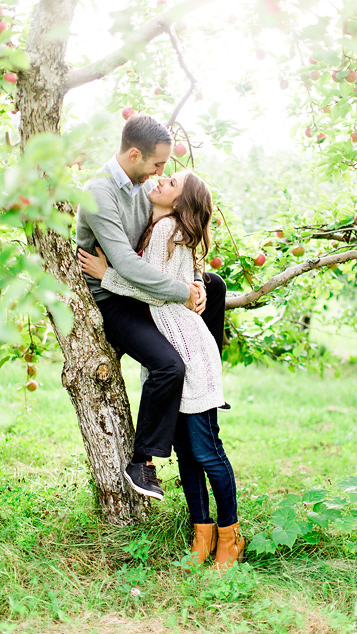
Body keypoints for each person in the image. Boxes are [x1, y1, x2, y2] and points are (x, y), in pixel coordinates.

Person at [79, 170, 245, 570]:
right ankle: (201, 534)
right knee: (188, 454)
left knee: (206, 453)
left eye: (171, 183)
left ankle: (230, 535)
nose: (162, 181)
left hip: (194, 359)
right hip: (183, 352)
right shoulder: (167, 231)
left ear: (178, 203)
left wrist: (106, 276)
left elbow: (148, 287)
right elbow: (169, 284)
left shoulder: (167, 229)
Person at [75, 114, 227, 502]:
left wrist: (196, 279)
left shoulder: (143, 186)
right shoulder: (100, 193)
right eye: (157, 164)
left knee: (216, 285)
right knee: (168, 366)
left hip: (142, 293)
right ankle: (142, 461)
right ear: (134, 154)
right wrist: (182, 293)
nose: (161, 173)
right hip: (114, 298)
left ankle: (207, 382)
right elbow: (125, 264)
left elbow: (182, 225)